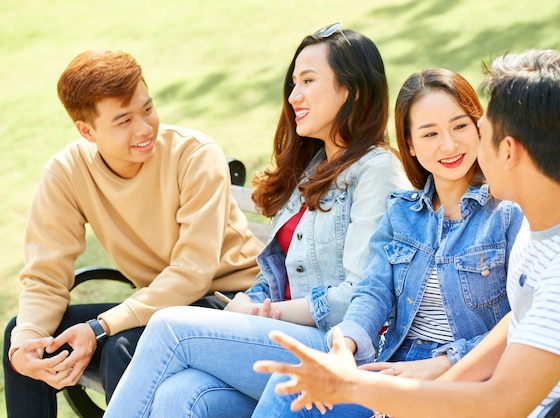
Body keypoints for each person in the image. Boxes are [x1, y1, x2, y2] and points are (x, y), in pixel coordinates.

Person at [253, 49, 560, 418]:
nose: (464, 141)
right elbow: (521, 318)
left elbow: (500, 403)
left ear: (508, 150)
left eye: (480, 126)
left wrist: (358, 388)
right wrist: (424, 384)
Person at [102, 23, 411, 417]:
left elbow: (359, 296)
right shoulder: (313, 167)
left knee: (169, 328)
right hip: (282, 338)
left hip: (339, 350)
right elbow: (275, 277)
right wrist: (253, 301)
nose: (293, 95)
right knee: (180, 393)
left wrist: (272, 312)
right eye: (293, 83)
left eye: (308, 81)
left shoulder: (376, 170)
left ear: (350, 90)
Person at [3, 49, 263, 417]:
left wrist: (100, 328)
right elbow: (45, 277)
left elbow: (193, 272)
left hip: (228, 302)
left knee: (120, 346)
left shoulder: (194, 155)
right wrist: (26, 343)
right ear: (86, 131)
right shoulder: (67, 173)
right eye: (123, 120)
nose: (144, 128)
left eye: (147, 108)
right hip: (159, 306)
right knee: (24, 337)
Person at [252, 68, 525, 417]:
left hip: (467, 380)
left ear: (478, 127)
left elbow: (523, 318)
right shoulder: (402, 212)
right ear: (409, 144)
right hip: (395, 367)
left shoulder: (507, 211)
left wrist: (442, 363)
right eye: (430, 133)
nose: (449, 145)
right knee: (292, 392)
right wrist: (344, 344)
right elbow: (373, 291)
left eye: (460, 126)